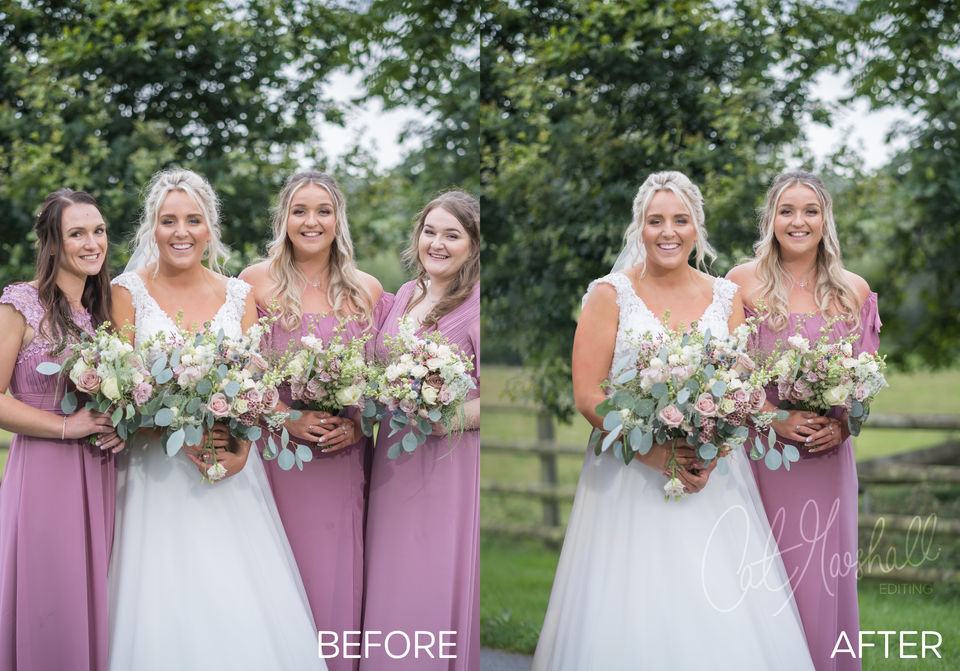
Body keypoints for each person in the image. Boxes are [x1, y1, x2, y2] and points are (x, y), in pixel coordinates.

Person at [531, 171, 814, 670]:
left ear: (696, 228)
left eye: (680, 220)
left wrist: (709, 453)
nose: (668, 232)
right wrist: (657, 454)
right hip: (628, 475)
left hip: (713, 476)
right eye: (655, 220)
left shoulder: (726, 297)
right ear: (639, 228)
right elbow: (588, 395)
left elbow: (739, 391)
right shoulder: (609, 294)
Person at [107, 168, 325, 670]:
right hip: (154, 473)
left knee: (237, 596)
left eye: (193, 220)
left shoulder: (239, 296)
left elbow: (258, 388)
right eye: (168, 221)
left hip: (231, 470)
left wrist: (242, 449)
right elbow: (119, 390)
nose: (181, 232)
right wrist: (175, 433)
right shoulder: (126, 292)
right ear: (152, 229)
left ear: (209, 228)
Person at [727, 170, 879, 671]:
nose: (798, 221)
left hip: (825, 458)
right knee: (759, 580)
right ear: (770, 219)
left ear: (825, 220)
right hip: (760, 456)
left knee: (820, 579)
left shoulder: (854, 290)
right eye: (786, 210)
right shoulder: (740, 283)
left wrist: (843, 425)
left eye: (810, 211)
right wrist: (773, 417)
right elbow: (727, 373)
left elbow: (865, 384)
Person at [240, 171, 390, 671]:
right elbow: (239, 374)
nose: (311, 220)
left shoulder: (368, 290)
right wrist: (285, 418)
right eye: (299, 210)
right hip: (274, 455)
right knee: (275, 578)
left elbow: (381, 380)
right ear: (283, 218)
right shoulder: (253, 282)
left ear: (337, 220)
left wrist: (358, 423)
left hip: (340, 458)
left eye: (322, 210)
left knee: (333, 578)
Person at [0, 189, 121, 671]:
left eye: (99, 231)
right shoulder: (20, 303)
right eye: (77, 233)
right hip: (45, 473)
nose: (93, 243)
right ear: (52, 243)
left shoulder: (106, 313)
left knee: (97, 594)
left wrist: (123, 426)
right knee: (50, 598)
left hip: (102, 470)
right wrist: (68, 426)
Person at [360, 191, 480, 671]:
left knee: (427, 578)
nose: (437, 243)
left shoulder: (475, 303)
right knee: (390, 577)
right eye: (430, 231)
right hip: (391, 458)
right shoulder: (405, 294)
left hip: (444, 462)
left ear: (473, 244)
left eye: (452, 235)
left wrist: (443, 417)